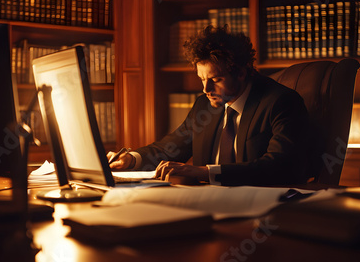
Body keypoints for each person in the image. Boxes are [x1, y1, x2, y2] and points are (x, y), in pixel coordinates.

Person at [108, 25, 310, 186]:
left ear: (241, 72)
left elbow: (279, 166)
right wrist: (132, 159)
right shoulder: (204, 105)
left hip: (263, 208)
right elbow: (170, 148)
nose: (206, 88)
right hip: (209, 204)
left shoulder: (281, 102)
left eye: (216, 79)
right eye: (201, 79)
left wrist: (204, 171)